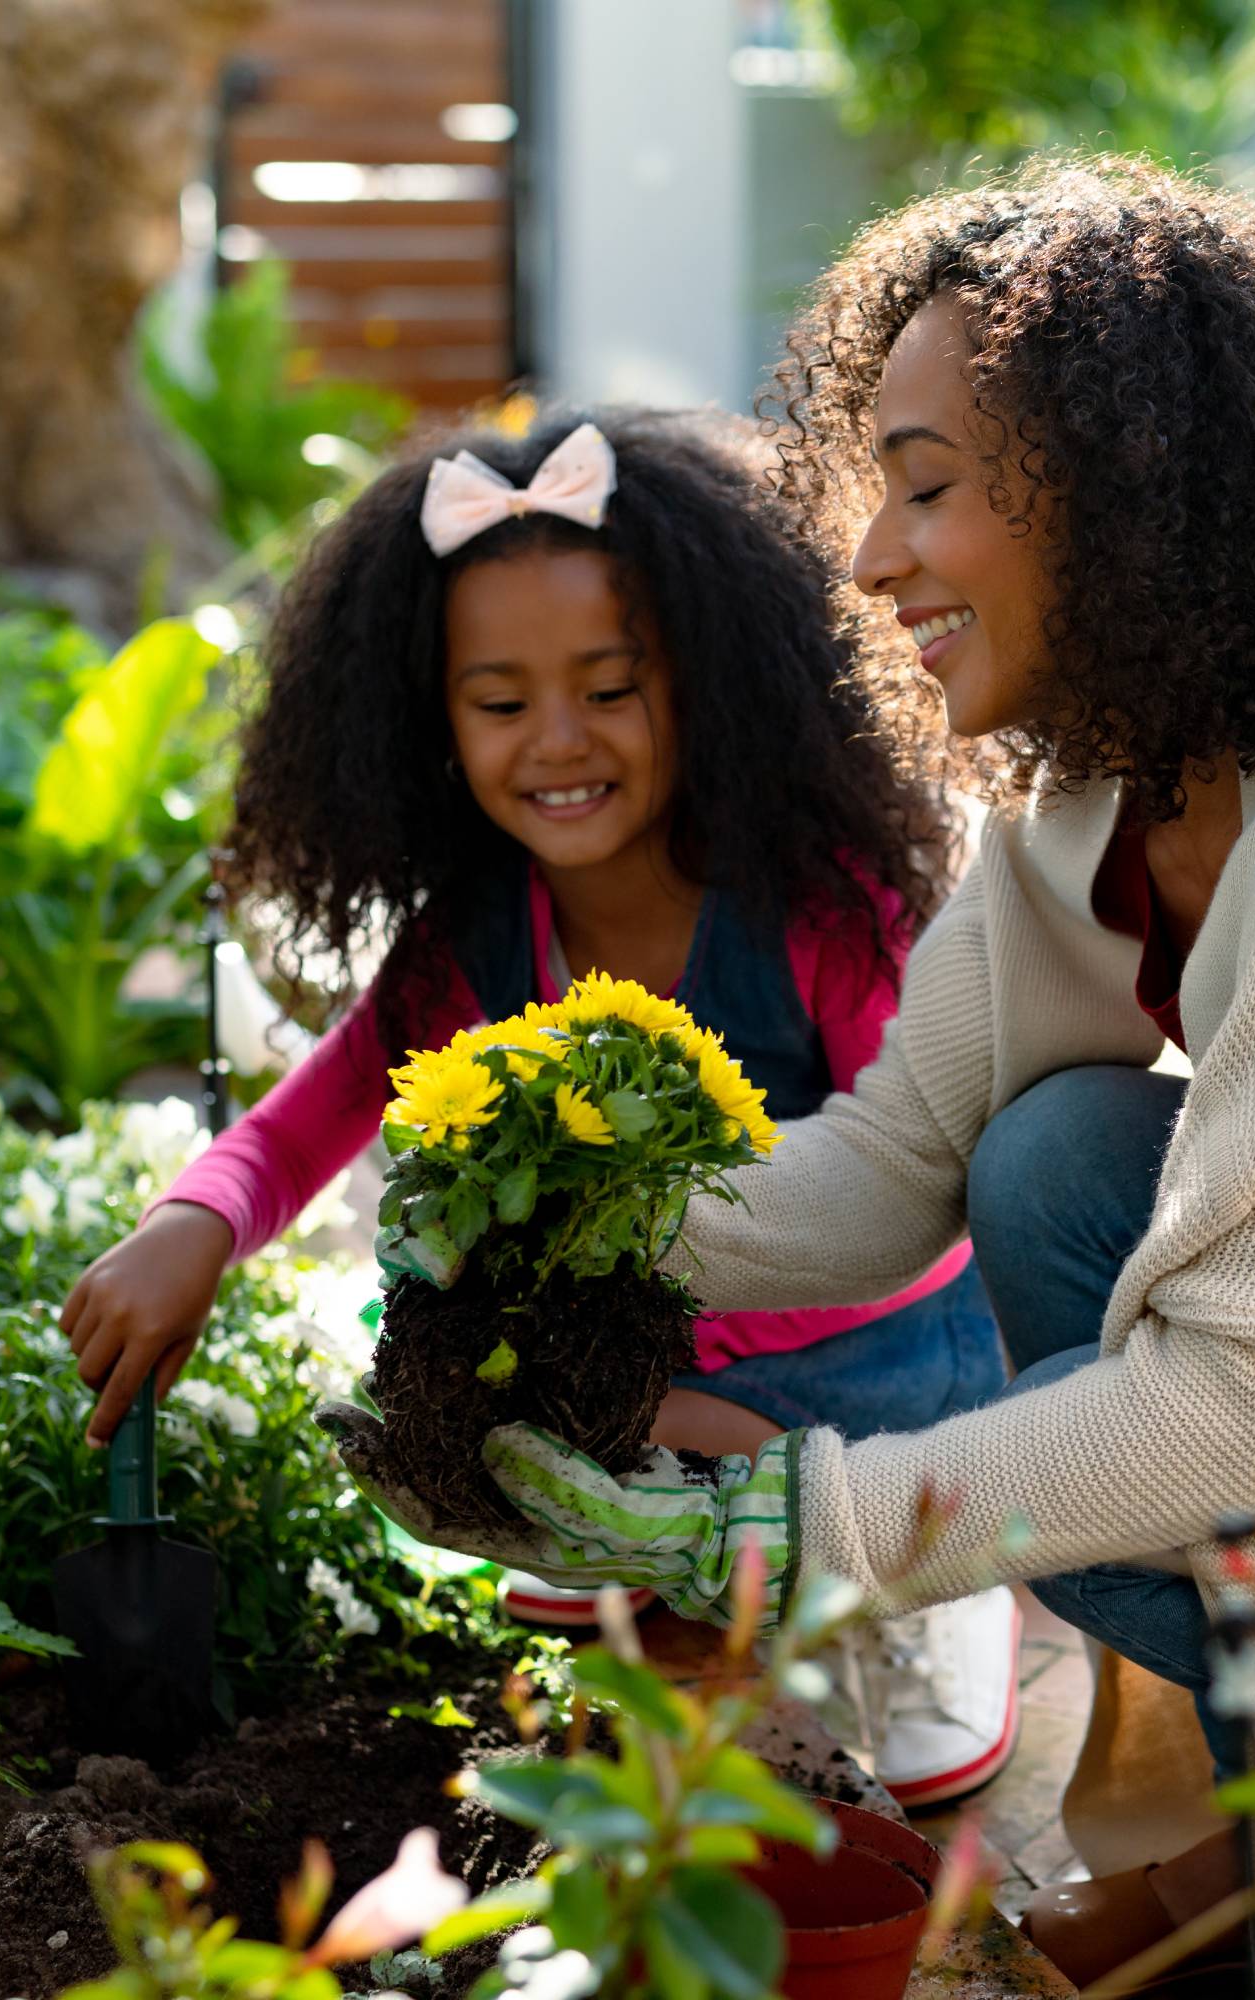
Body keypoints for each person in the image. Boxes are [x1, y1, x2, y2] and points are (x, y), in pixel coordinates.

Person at [321, 162, 1255, 1998]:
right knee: (1056, 1160)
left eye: (927, 489)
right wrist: (553, 1222)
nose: (874, 558)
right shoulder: (1101, 792)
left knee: (1100, 1398)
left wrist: (786, 1524)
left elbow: (1230, 1413)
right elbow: (891, 1160)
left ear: (1125, 498)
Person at [64, 409, 1022, 1808]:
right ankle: (678, 1577)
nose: (558, 743)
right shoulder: (474, 934)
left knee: (642, 1435)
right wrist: (191, 1223)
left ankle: (928, 1596)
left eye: (612, 689)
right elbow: (303, 1122)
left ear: (708, 685)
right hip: (659, 1381)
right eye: (502, 704)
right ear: (430, 726)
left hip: (868, 1376)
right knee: (444, 1403)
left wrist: (664, 1361)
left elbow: (937, 1205)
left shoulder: (816, 911)